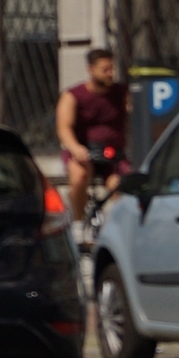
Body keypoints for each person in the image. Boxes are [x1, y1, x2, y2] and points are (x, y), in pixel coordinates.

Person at [58, 48, 130, 226]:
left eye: (112, 69)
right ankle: (78, 222)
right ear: (91, 69)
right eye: (105, 69)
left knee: (123, 185)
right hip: (84, 152)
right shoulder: (73, 96)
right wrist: (76, 148)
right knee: (80, 176)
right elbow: (63, 127)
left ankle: (119, 227)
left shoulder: (121, 92)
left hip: (114, 154)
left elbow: (137, 112)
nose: (110, 74)